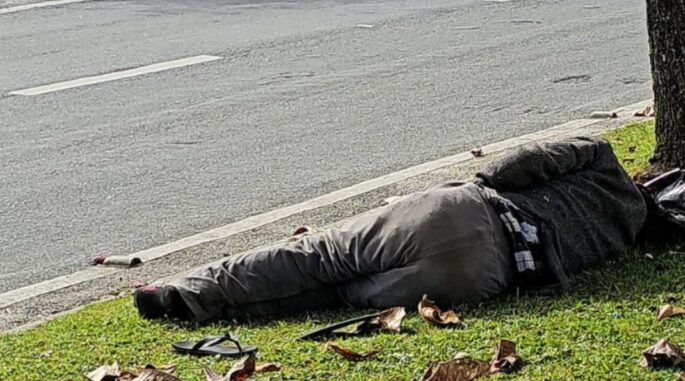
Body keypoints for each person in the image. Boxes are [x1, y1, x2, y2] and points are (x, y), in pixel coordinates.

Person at [134, 136, 650, 324]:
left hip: (463, 214)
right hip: (484, 277)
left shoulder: (603, 159)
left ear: (647, 177)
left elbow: (524, 163)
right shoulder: (628, 235)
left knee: (318, 256)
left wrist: (475, 184)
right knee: (337, 296)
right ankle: (210, 309)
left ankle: (187, 293)